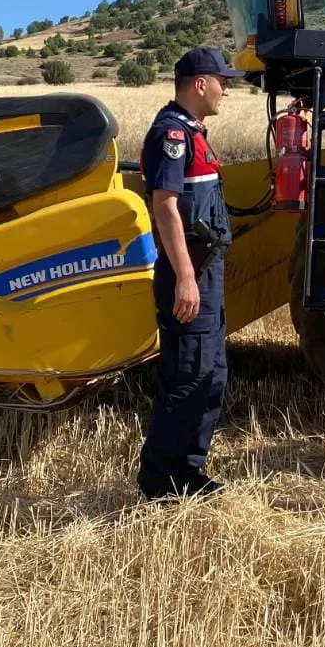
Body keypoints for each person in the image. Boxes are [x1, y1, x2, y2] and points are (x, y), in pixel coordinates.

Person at [136, 47, 245, 500]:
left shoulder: (193, 132)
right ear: (200, 84)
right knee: (186, 377)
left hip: (206, 269)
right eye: (223, 82)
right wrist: (184, 276)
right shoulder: (171, 134)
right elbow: (164, 206)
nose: (226, 90)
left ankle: (188, 472)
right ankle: (160, 483)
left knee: (210, 375)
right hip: (191, 272)